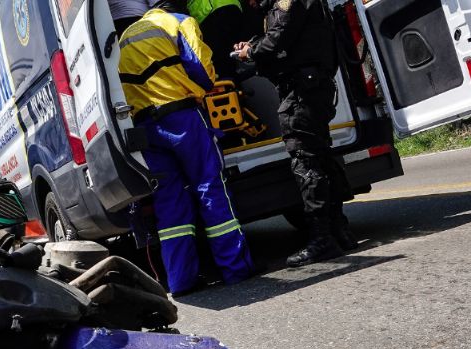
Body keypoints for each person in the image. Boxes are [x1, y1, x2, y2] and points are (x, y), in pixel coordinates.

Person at [118, 0, 254, 294]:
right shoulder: (180, 21)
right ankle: (236, 269)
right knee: (209, 186)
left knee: (169, 203)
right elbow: (203, 71)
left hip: (145, 127)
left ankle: (181, 281)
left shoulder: (127, 35)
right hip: (182, 118)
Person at [234, 0, 357, 267]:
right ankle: (340, 231)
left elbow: (279, 38)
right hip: (311, 86)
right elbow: (290, 34)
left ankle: (322, 240)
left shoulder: (287, 1)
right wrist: (255, 44)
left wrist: (250, 51)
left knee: (306, 162)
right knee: (321, 157)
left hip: (302, 92)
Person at [187, 0, 245, 79]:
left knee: (219, 57)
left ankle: (231, 81)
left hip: (208, 12)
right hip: (232, 6)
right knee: (232, 49)